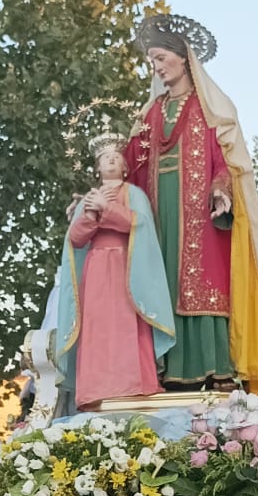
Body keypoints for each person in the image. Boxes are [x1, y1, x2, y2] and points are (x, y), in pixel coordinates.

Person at [124, 14, 258, 411]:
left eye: (162, 58)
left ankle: (212, 367)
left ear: (184, 59)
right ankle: (162, 369)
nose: (158, 67)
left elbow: (226, 159)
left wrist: (221, 188)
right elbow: (131, 162)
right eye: (152, 62)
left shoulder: (210, 107)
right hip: (158, 211)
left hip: (199, 210)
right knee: (161, 279)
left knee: (201, 283)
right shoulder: (151, 114)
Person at [53, 133, 175, 407]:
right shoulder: (89, 198)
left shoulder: (133, 194)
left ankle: (134, 387)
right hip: (96, 271)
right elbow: (76, 239)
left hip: (126, 268)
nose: (110, 159)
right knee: (98, 330)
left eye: (116, 157)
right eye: (104, 158)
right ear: (97, 167)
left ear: (125, 167)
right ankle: (97, 390)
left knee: (127, 325)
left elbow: (140, 224)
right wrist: (91, 214)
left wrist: (107, 209)